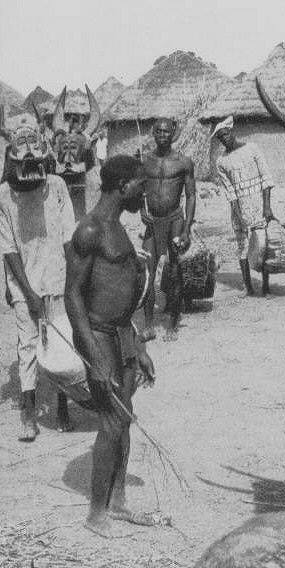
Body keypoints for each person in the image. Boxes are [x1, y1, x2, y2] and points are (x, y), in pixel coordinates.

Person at [65, 155, 155, 537]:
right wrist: (94, 355)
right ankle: (95, 513)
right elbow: (73, 298)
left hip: (121, 335)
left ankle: (117, 502)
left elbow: (124, 295)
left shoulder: (119, 227)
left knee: (125, 417)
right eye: (141, 185)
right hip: (99, 336)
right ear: (123, 187)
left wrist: (139, 344)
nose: (145, 191)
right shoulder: (90, 230)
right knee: (112, 420)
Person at [0, 120, 74, 440]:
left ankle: (62, 407)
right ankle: (29, 415)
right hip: (23, 280)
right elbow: (9, 249)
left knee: (59, 341)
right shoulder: (4, 195)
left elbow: (69, 237)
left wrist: (74, 280)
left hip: (57, 274)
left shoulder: (56, 186)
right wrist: (26, 291)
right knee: (27, 344)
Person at [140, 117, 196, 342]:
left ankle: (173, 321)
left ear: (173, 133)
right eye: (159, 132)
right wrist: (141, 210)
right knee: (147, 272)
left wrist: (186, 230)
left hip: (174, 219)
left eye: (167, 132)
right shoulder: (145, 161)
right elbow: (139, 190)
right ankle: (148, 325)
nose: (163, 135)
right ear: (153, 133)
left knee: (173, 270)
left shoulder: (183, 162)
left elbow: (191, 196)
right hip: (153, 222)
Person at [214, 116, 274, 296]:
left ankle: (265, 287)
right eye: (220, 138)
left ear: (231, 132)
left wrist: (267, 206)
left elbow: (266, 178)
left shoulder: (252, 148)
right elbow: (230, 192)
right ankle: (249, 288)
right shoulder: (221, 162)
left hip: (258, 205)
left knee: (263, 244)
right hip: (240, 209)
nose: (224, 139)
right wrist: (237, 213)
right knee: (243, 247)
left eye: (225, 134)